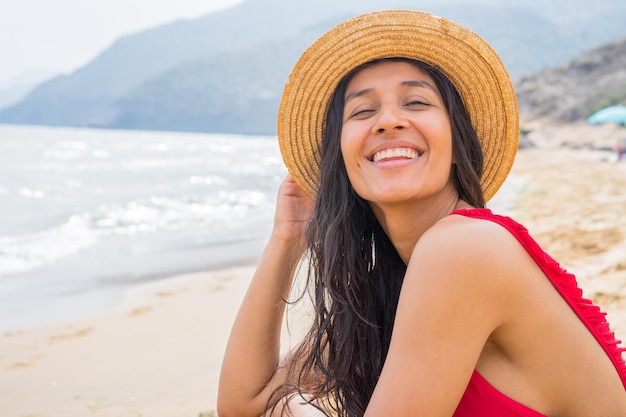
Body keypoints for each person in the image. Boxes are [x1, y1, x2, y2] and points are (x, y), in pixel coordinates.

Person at [217, 10, 626, 417]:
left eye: (416, 102)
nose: (389, 122)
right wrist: (288, 239)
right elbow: (246, 405)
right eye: (362, 112)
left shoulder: (463, 249)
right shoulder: (394, 284)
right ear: (340, 159)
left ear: (457, 140)